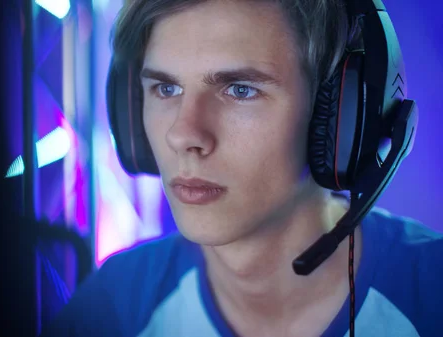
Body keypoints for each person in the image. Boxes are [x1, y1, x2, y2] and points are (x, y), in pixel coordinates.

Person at [45, 0, 442, 336]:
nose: (183, 135)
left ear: (341, 116)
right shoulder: (114, 304)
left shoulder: (431, 292)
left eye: (240, 90)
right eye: (166, 88)